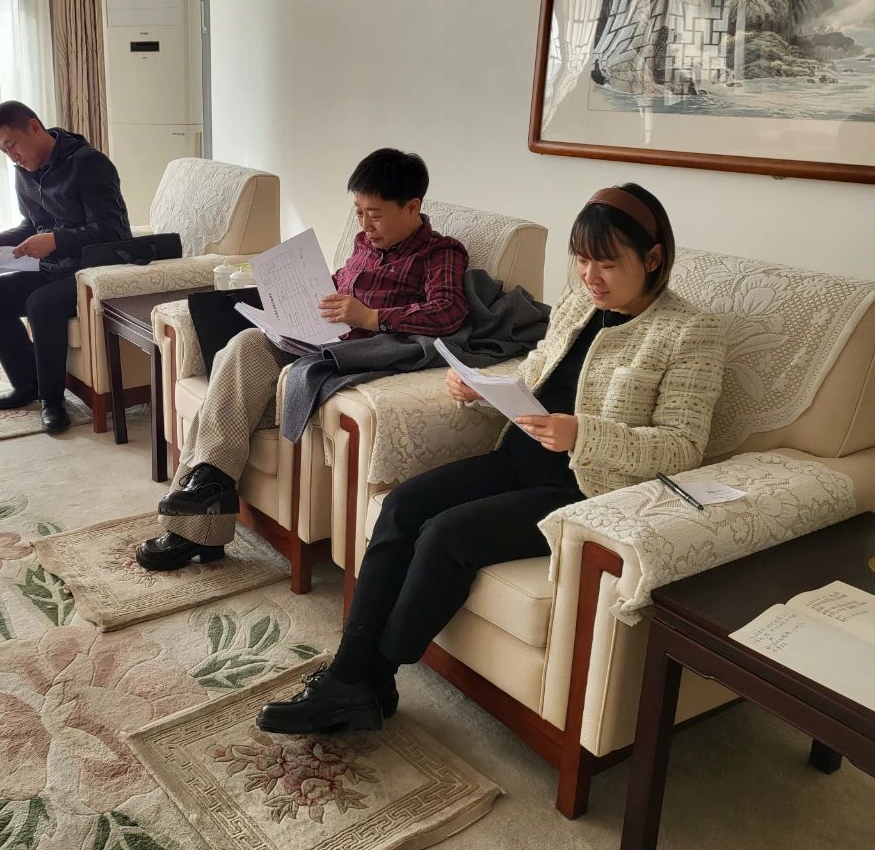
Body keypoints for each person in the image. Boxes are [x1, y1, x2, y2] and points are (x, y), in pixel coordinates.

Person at [256, 183, 727, 735]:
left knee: (445, 535)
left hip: (583, 490)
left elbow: (681, 446)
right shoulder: (580, 304)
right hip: (519, 458)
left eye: (607, 264)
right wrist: (485, 388)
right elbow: (537, 372)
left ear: (652, 259)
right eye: (581, 261)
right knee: (403, 506)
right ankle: (353, 673)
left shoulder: (690, 333)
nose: (590, 278)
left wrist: (584, 434)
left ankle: (365, 677)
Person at [138, 148, 471, 571]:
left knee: (226, 398)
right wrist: (297, 293)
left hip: (354, 356)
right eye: (358, 212)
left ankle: (196, 518)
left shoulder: (442, 253)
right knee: (241, 346)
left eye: (375, 215)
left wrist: (372, 316)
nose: (365, 226)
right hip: (314, 340)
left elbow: (448, 311)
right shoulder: (364, 244)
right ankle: (207, 489)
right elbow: (340, 285)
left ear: (412, 207)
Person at [0, 101, 131, 432]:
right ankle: (27, 384)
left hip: (93, 271)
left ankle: (52, 401)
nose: (12, 157)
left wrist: (57, 240)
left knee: (41, 303)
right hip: (53, 266)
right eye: (4, 151)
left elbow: (113, 231)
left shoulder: (88, 163)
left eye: (12, 145)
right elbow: (32, 225)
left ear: (34, 127)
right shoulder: (25, 172)